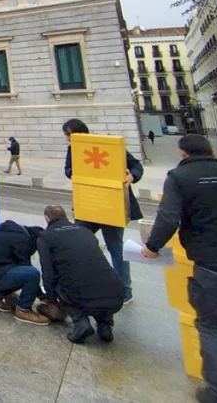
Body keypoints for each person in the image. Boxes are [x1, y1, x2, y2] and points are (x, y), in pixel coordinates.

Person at [142, 134, 217, 403]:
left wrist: (152, 246)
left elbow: (168, 218)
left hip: (213, 266)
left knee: (210, 327)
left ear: (183, 153)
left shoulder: (179, 177)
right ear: (213, 150)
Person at [62, 118, 143, 303]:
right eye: (67, 136)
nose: (68, 139)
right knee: (78, 244)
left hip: (111, 205)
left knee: (116, 248)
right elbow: (67, 170)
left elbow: (136, 165)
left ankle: (125, 290)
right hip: (88, 204)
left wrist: (133, 175)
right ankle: (79, 284)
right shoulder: (72, 149)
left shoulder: (108, 145)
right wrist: (76, 172)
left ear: (81, 132)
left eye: (69, 134)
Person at [37, 205, 125, 344]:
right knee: (96, 278)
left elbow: (48, 273)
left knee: (63, 284)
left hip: (79, 293)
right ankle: (105, 325)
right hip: (115, 294)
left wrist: (51, 299)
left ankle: (81, 323)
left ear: (47, 219)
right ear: (66, 217)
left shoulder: (46, 237)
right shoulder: (85, 231)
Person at [0, 220, 50, 325]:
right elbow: (27, 267)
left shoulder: (15, 234)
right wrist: (43, 297)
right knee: (32, 273)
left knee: (22, 270)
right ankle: (23, 310)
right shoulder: (23, 241)